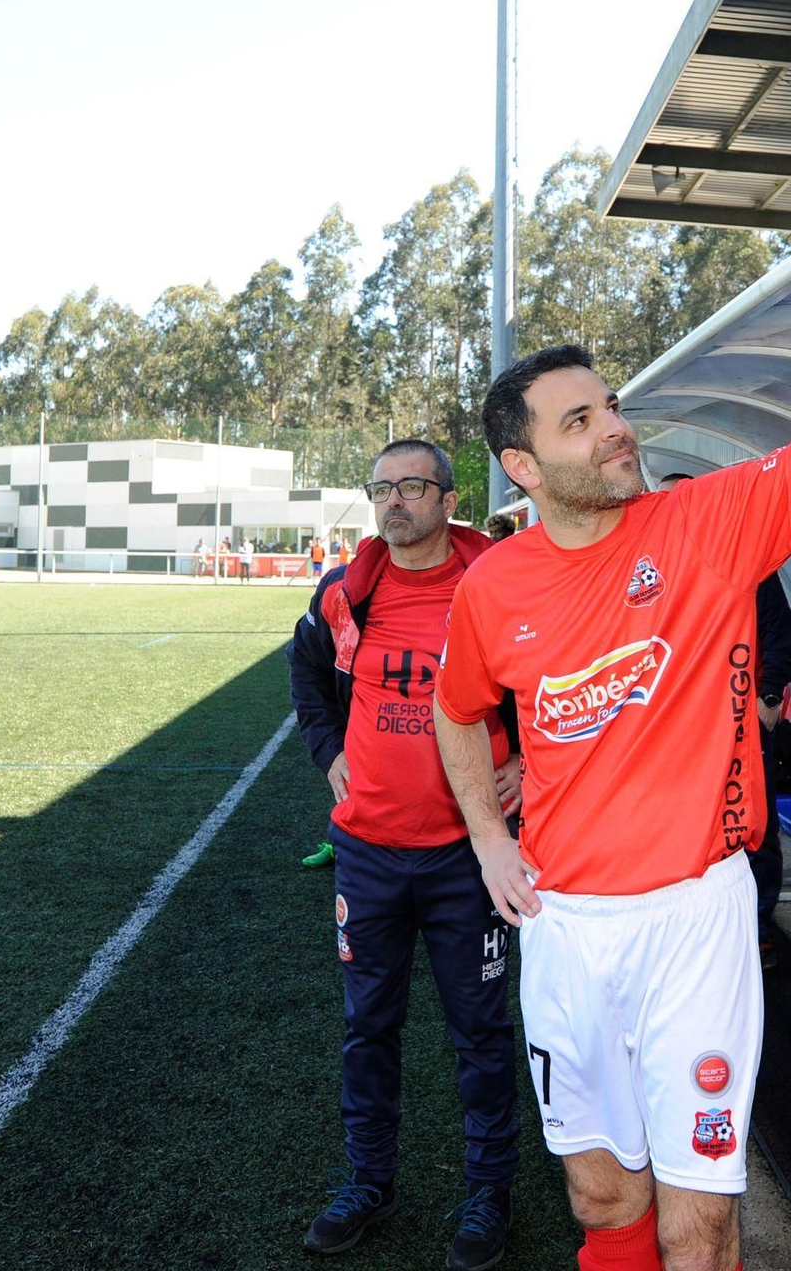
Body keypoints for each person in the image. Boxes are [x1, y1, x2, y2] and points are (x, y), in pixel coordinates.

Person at [432, 125, 791, 1271]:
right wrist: (484, 837)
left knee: (699, 1216)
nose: (614, 426)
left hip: (696, 920)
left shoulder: (707, 523)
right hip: (565, 925)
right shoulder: (493, 587)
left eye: (608, 405)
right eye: (580, 422)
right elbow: (455, 709)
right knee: (600, 1196)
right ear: (522, 468)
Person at [288, 438, 525, 1268]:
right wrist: (329, 755)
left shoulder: (496, 582)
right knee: (368, 1028)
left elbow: (544, 681)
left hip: (469, 857)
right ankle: (369, 1180)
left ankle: (489, 1192)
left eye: (413, 486)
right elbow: (307, 676)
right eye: (381, 487)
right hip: (369, 854)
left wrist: (527, 762)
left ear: (448, 498)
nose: (394, 502)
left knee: (482, 1034)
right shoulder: (347, 594)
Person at [656, 470, 791, 968]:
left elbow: (784, 636)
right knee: (686, 824)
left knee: (755, 825)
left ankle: (759, 930)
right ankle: (693, 928)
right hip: (678, 731)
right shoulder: (653, 571)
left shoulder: (752, 563)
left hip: (740, 724)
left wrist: (767, 697)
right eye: (673, 502)